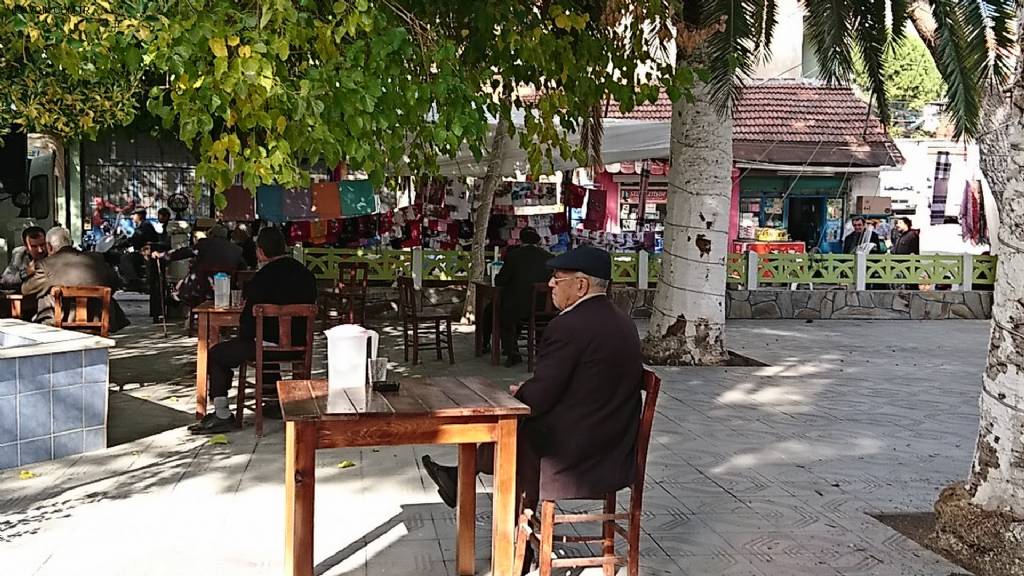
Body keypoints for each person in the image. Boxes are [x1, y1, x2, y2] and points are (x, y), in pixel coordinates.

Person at [422, 245, 643, 572]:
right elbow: (582, 383)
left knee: (513, 435)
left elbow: (539, 399)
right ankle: (465, 483)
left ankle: (513, 548)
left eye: (557, 277)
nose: (551, 284)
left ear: (581, 285)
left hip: (579, 458)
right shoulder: (624, 322)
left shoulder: (568, 326)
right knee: (522, 429)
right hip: (615, 446)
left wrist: (523, 391)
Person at [189, 227, 317, 435]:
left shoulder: (262, 277)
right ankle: (273, 401)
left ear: (260, 252)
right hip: (300, 346)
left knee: (218, 354)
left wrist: (244, 340)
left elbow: (247, 322)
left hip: (265, 347)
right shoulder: (306, 275)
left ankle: (222, 414)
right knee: (266, 347)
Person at [21, 227, 129, 332]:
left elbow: (26, 290)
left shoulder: (46, 265)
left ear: (49, 246)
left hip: (63, 320)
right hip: (99, 319)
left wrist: (29, 273)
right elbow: (115, 283)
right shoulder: (96, 258)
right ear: (71, 243)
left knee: (46, 294)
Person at [480, 228, 552, 367]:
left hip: (518, 308)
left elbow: (500, 281)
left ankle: (512, 353)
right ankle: (540, 353)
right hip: (544, 308)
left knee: (500, 313)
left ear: (520, 241)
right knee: (528, 316)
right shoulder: (549, 257)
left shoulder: (513, 256)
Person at [157, 224, 246, 309]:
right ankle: (176, 296)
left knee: (187, 281)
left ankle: (176, 297)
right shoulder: (237, 249)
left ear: (211, 235)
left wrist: (162, 255)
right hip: (225, 289)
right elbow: (243, 268)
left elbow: (183, 252)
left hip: (201, 289)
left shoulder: (204, 244)